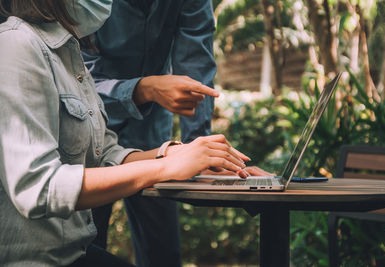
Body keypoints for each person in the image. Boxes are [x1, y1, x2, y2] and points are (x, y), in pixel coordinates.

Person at [0, 0, 250, 266]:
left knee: (163, 253)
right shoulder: (18, 47)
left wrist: (190, 152)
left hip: (138, 136)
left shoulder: (66, 51)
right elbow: (40, 188)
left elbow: (104, 152)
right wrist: (164, 166)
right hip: (41, 255)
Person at [82, 1, 219, 266]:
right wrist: (143, 89)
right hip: (87, 128)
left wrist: (200, 152)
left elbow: (196, 66)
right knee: (85, 243)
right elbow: (74, 81)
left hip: (152, 130)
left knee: (164, 252)